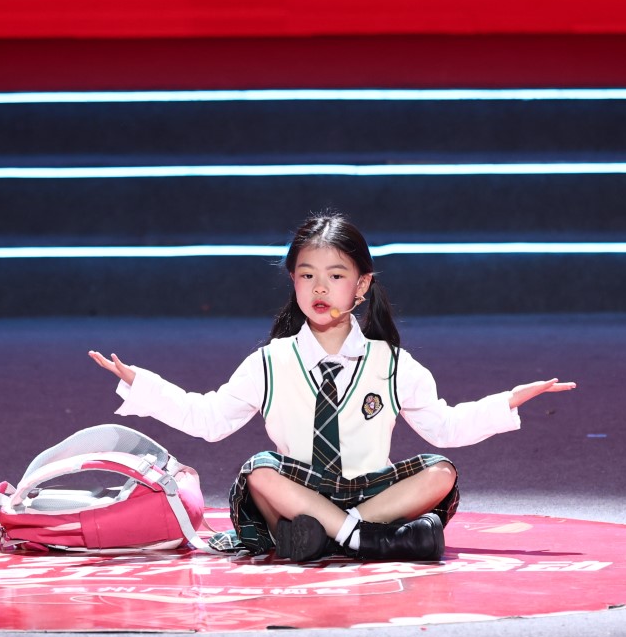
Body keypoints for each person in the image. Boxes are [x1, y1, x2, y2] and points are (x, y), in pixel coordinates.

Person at [89, 212, 574, 562]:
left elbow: (444, 427)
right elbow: (210, 420)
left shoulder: (390, 363)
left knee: (441, 471)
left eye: (336, 275)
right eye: (307, 275)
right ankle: (373, 540)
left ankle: (329, 537)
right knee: (259, 473)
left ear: (361, 286)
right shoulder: (270, 361)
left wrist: (506, 402)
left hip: (371, 493)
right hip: (299, 492)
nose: (320, 288)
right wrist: (142, 385)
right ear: (293, 282)